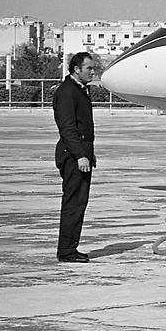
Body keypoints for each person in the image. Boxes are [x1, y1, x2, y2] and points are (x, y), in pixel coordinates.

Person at [53, 52, 101, 262]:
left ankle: (71, 247)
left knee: (80, 202)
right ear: (76, 69)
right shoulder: (67, 92)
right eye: (88, 68)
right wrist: (80, 155)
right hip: (73, 155)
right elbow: (68, 128)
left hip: (82, 153)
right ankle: (66, 251)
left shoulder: (80, 90)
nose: (92, 72)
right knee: (73, 202)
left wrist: (90, 154)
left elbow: (83, 128)